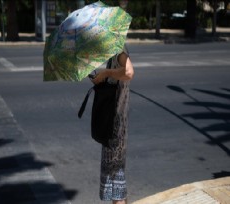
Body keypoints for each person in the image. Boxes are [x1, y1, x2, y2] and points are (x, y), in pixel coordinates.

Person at [91, 2, 134, 204]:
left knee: (115, 177)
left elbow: (128, 72)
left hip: (115, 126)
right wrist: (101, 77)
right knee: (115, 179)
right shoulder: (114, 50)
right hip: (115, 123)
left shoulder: (119, 49)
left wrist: (106, 73)